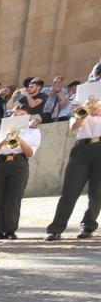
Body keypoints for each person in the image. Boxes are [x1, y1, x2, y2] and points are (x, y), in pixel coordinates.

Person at [43, 64, 101, 241]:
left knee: (97, 192)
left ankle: (88, 226)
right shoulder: (81, 98)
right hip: (82, 146)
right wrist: (82, 114)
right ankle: (56, 228)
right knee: (70, 189)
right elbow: (74, 127)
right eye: (96, 77)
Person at [0, 105, 40, 240]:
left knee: (14, 199)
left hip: (19, 165)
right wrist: (6, 137)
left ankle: (10, 230)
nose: (18, 117)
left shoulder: (33, 132)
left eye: (22, 114)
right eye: (15, 114)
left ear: (27, 117)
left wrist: (19, 137)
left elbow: (30, 153)